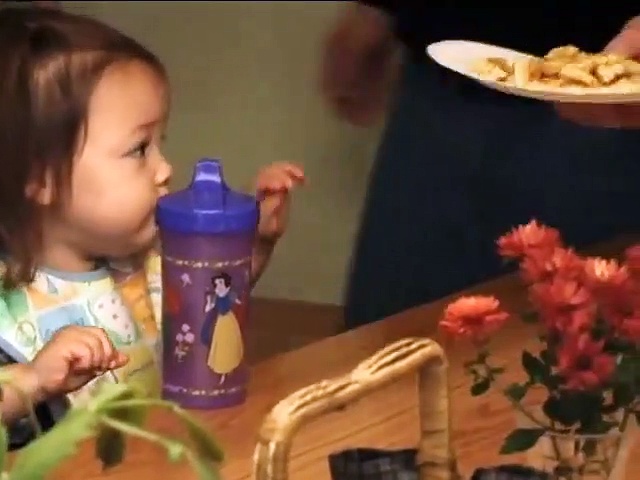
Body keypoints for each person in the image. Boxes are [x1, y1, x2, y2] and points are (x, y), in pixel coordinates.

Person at [0, 6, 304, 448]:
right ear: (42, 178)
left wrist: (255, 242)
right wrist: (31, 381)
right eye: (139, 149)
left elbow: (213, 305)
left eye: (162, 143)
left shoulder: (145, 259)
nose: (165, 168)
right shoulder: (10, 309)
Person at [321, 4, 640, 329]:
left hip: (604, 107)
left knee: (580, 336)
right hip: (438, 89)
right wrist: (377, 9)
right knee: (387, 330)